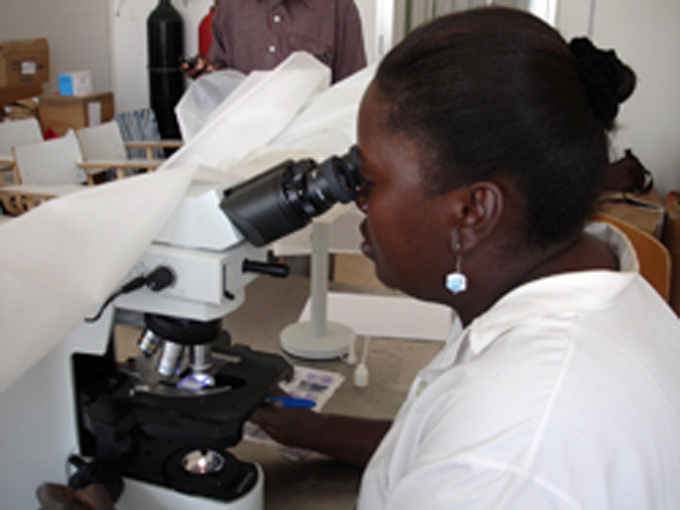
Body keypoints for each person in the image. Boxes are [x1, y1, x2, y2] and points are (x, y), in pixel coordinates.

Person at [37, 7, 680, 510]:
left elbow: (478, 459)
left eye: (366, 180)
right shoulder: (595, 287)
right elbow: (435, 447)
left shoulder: (512, 450)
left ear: (472, 212)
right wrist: (304, 429)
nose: (353, 203)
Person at [183, 0, 367, 84]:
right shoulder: (232, 8)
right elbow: (221, 86)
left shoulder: (339, 8)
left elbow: (351, 94)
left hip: (312, 151)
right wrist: (208, 75)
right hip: (245, 151)